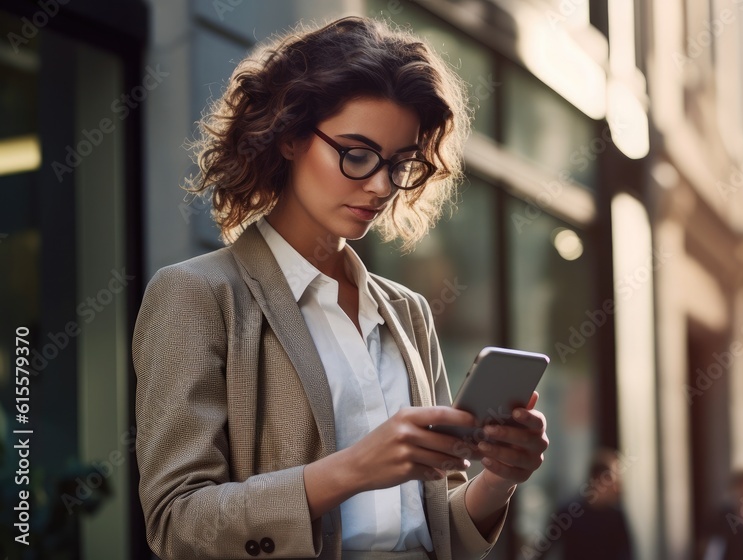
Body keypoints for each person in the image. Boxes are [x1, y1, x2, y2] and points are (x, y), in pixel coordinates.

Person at [132, 17, 549, 560]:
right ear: (288, 136)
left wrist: (498, 478)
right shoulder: (198, 295)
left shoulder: (408, 311)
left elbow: (431, 524)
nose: (379, 186)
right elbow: (176, 523)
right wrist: (352, 469)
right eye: (356, 153)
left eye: (400, 163)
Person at [540, 448, 634, 560]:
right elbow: (543, 550)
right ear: (599, 480)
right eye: (613, 481)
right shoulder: (568, 514)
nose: (616, 488)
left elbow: (626, 553)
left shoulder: (616, 517)